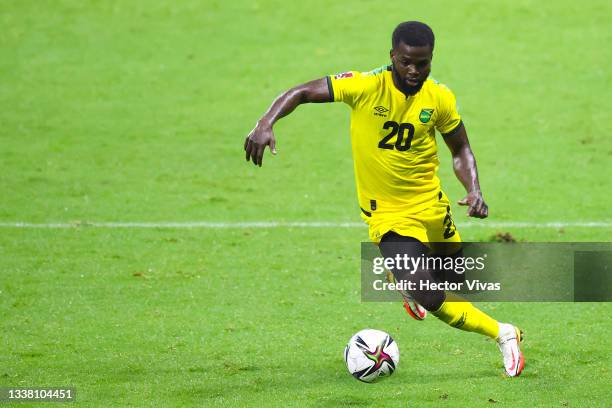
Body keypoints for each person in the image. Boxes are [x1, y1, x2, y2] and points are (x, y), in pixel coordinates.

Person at [243, 21, 524, 377]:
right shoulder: (364, 86)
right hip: (387, 213)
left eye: (422, 63)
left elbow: (460, 149)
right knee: (430, 295)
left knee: (452, 281)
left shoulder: (439, 97)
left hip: (431, 206)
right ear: (392, 56)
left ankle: (400, 279)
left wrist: (475, 189)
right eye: (405, 61)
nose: (413, 70)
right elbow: (301, 92)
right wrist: (265, 122)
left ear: (431, 60)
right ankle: (504, 334)